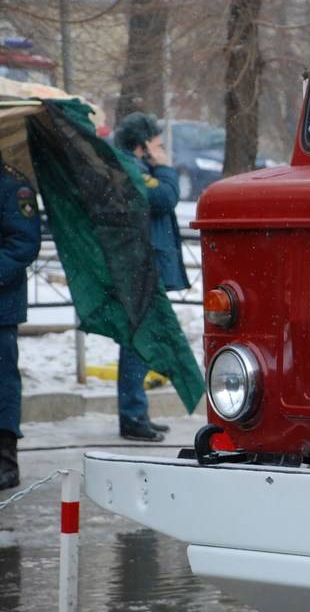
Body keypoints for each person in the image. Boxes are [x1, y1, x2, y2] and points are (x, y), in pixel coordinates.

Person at [112, 112, 189, 442]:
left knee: (139, 342)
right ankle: (132, 415)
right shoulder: (133, 170)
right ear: (143, 145)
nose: (161, 148)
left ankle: (136, 412)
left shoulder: (136, 167)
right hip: (140, 270)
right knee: (136, 343)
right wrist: (167, 167)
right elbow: (164, 198)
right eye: (157, 143)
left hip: (142, 268)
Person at [0, 157, 42, 491]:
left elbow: (23, 244)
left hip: (1, 308)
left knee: (2, 385)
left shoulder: (14, 188)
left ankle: (5, 461)